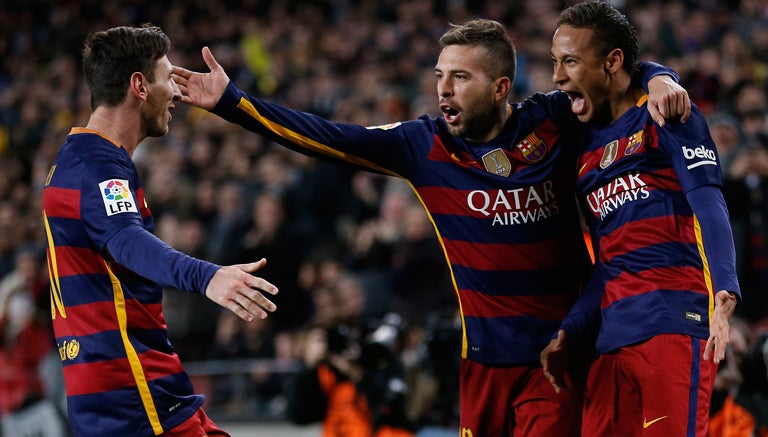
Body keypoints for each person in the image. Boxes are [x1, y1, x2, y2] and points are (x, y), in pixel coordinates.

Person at [172, 19, 688, 436]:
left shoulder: (553, 120)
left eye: (460, 77)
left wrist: (660, 76)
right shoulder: (422, 145)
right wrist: (232, 104)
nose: (443, 89)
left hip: (558, 358)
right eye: (440, 75)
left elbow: (611, 72)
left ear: (501, 87)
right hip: (482, 361)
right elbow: (327, 135)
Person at [41, 24, 279, 437]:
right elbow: (128, 241)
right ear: (139, 86)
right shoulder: (99, 169)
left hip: (133, 386)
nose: (177, 93)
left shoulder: (77, 160)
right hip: (133, 391)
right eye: (168, 78)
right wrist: (209, 276)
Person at [541, 2, 741, 436]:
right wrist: (570, 330)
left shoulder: (666, 112)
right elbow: (610, 260)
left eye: (570, 61)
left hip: (673, 325)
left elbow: (709, 202)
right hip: (610, 343)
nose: (557, 76)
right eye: (554, 62)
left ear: (612, 62)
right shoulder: (585, 149)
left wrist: (726, 288)